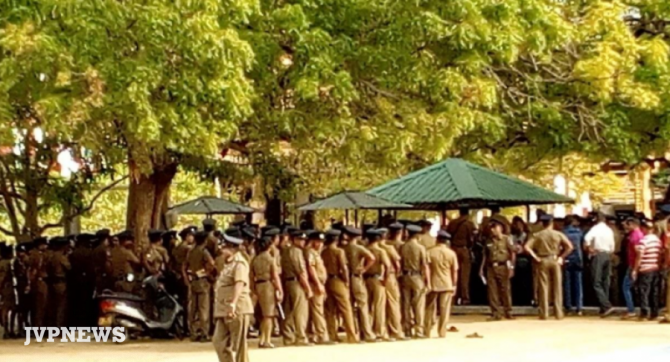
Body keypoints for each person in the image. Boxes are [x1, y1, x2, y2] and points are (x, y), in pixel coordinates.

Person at [212, 232, 254, 362]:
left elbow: (239, 284)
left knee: (239, 345)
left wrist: (233, 304)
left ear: (232, 248)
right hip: (222, 309)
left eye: (224, 246)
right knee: (218, 341)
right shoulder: (228, 264)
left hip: (236, 308)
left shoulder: (239, 263)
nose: (221, 249)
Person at [525, 214, 574, 320]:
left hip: (542, 260)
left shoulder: (537, 235)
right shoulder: (558, 234)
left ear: (542, 223)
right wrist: (561, 257)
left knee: (543, 287)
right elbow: (570, 247)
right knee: (557, 287)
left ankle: (544, 313)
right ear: (552, 223)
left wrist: (535, 257)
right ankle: (558, 313)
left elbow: (527, 247)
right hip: (555, 259)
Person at [321, 229, 358, 344]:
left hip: (327, 281)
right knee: (345, 308)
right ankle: (351, 335)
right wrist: (347, 281)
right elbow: (344, 268)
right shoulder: (339, 252)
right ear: (337, 239)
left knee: (330, 309)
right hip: (338, 280)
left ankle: (332, 334)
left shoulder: (323, 252)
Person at [342, 226, 376, 342]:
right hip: (356, 278)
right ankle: (366, 333)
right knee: (362, 304)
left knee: (350, 306)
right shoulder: (359, 248)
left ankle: (353, 332)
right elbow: (372, 258)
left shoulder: (343, 248)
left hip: (345, 279)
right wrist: (364, 269)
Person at [480, 215, 515, 321]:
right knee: (492, 291)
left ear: (500, 228)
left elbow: (512, 253)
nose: (492, 230)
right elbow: (485, 255)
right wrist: (481, 269)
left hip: (503, 266)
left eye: (494, 227)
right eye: (491, 227)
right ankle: (495, 313)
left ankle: (508, 311)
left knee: (505, 290)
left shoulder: (507, 239)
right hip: (491, 267)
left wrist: (512, 267)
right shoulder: (488, 241)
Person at [280, 230, 312, 346]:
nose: (303, 242)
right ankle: (301, 337)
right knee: (300, 310)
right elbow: (301, 272)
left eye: (303, 240)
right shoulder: (296, 252)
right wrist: (308, 288)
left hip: (287, 282)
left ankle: (288, 337)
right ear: (294, 240)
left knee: (289, 310)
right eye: (300, 239)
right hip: (296, 283)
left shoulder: (286, 251)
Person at [250, 236, 283, 348]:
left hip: (258, 285)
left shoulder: (255, 259)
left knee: (263, 315)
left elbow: (251, 276)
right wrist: (279, 289)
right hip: (268, 285)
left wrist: (253, 289)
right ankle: (267, 340)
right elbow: (275, 276)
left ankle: (262, 338)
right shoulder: (270, 259)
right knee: (269, 315)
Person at [183, 230, 216, 342]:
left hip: (193, 281)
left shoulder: (190, 251)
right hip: (202, 282)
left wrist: (187, 278)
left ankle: (193, 332)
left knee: (193, 308)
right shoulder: (204, 251)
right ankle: (204, 333)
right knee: (203, 308)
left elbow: (184, 266)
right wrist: (206, 272)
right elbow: (212, 264)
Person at [425, 230, 458, 338]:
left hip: (433, 283)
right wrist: (454, 284)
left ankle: (427, 330)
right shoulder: (451, 253)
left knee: (430, 308)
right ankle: (442, 331)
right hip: (447, 283)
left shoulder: (429, 252)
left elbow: (427, 269)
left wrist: (428, 282)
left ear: (437, 239)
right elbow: (455, 271)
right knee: (445, 309)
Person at [399, 224, 430, 338]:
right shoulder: (421, 248)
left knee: (406, 304)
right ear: (417, 235)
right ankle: (419, 330)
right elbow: (425, 266)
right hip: (417, 277)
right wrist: (428, 282)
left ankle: (407, 329)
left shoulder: (403, 247)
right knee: (419, 304)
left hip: (405, 277)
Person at [583, 212, 616, 317]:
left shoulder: (595, 229)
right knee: (605, 281)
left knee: (596, 281)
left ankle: (606, 305)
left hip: (598, 254)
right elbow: (612, 246)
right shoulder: (609, 230)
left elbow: (586, 239)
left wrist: (589, 248)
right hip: (608, 255)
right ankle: (604, 308)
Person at [365, 228, 392, 341]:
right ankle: (379, 331)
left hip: (365, 280)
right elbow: (388, 266)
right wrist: (385, 279)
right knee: (379, 306)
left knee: (368, 306)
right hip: (377, 279)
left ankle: (367, 331)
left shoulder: (365, 249)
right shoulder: (381, 251)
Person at [379, 227, 405, 340]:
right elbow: (397, 264)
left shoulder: (370, 247)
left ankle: (382, 331)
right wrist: (396, 275)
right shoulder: (389, 248)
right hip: (389, 277)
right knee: (393, 303)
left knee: (379, 306)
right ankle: (396, 330)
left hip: (375, 278)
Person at [305, 230, 330, 345]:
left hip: (319, 283)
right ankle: (322, 335)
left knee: (317, 310)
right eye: (317, 241)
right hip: (315, 284)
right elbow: (312, 268)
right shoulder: (310, 253)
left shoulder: (316, 253)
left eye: (321, 242)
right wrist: (318, 284)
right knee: (317, 310)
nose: (320, 244)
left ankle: (314, 334)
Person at [447, 208, 476, 305]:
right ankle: (465, 298)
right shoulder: (469, 224)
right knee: (465, 275)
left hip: (453, 249)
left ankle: (453, 298)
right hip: (464, 250)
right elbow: (472, 239)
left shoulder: (452, 223)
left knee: (453, 273)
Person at [635, 219, 662, 320]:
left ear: (644, 228)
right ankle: (654, 313)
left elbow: (639, 256)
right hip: (655, 268)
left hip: (645, 268)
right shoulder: (657, 240)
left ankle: (644, 312)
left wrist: (635, 269)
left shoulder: (644, 240)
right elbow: (660, 254)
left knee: (644, 291)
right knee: (654, 291)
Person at [622, 217, 644, 319]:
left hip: (633, 264)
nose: (626, 226)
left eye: (627, 224)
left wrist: (635, 268)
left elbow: (638, 253)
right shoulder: (640, 235)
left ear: (632, 224)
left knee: (626, 287)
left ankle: (631, 310)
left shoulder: (635, 236)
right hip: (635, 264)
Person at [47, 236, 71, 327]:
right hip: (61, 283)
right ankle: (59, 327)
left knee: (53, 307)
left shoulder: (51, 256)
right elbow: (69, 268)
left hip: (52, 282)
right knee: (61, 307)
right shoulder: (61, 257)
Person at [562, 215, 584, 315]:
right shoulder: (579, 232)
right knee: (578, 284)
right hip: (578, 259)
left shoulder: (563, 233)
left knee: (567, 284)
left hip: (567, 258)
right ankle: (579, 307)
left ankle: (568, 307)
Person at [28, 237, 49, 328]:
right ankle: (38, 327)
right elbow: (34, 270)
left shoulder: (34, 255)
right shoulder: (37, 256)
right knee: (40, 306)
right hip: (40, 281)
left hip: (37, 282)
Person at [0, 243, 14, 339]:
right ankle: (6, 329)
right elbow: (2, 277)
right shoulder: (5, 263)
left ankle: (8, 329)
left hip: (6, 286)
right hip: (6, 287)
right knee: (6, 309)